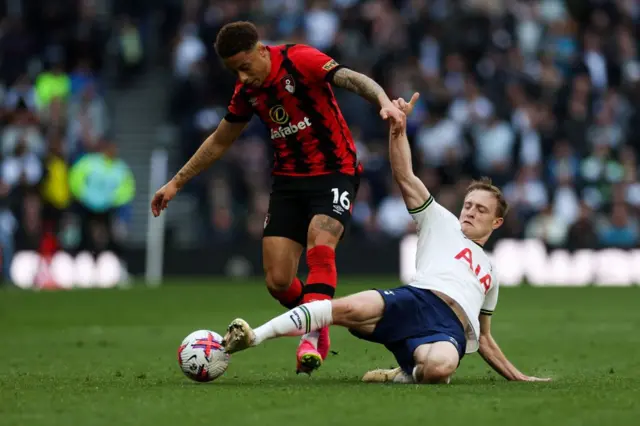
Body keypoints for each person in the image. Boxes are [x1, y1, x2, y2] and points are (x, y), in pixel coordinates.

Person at [222, 93, 551, 384]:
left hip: (449, 330)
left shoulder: (490, 272)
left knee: (439, 369)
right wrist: (399, 130)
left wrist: (518, 377)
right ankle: (253, 336)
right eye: (468, 205)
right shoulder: (441, 221)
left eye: (480, 209)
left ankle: (404, 374)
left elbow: (486, 339)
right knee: (340, 309)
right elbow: (405, 175)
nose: (470, 212)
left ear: (497, 221)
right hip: (413, 301)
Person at [150, 21, 404, 374]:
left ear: (260, 50)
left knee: (320, 243)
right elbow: (220, 140)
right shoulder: (247, 93)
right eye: (233, 71)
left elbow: (352, 78)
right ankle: (321, 315)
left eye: (245, 66)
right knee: (278, 281)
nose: (241, 76)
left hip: (335, 170)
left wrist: (384, 102)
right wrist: (176, 183)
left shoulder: (300, 60)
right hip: (288, 182)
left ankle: (312, 337)